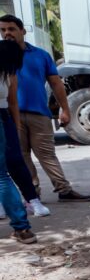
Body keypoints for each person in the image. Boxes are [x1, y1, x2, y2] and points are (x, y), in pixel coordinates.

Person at [0, 14, 90, 202]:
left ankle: (64, 190)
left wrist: (65, 109)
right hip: (8, 116)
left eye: (11, 29)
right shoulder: (0, 55)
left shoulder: (41, 55)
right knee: (21, 156)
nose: (7, 33)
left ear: (22, 31)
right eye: (3, 30)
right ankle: (32, 194)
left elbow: (56, 84)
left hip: (38, 114)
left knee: (47, 154)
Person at [0, 40, 49, 218]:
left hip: (5, 117)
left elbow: (13, 101)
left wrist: (16, 126)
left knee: (16, 161)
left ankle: (32, 200)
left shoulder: (10, 73)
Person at [0, 39, 35, 243]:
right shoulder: (7, 73)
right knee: (3, 176)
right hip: (4, 118)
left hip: (4, 119)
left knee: (2, 177)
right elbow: (12, 102)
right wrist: (15, 127)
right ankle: (22, 229)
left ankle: (21, 227)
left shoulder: (7, 73)